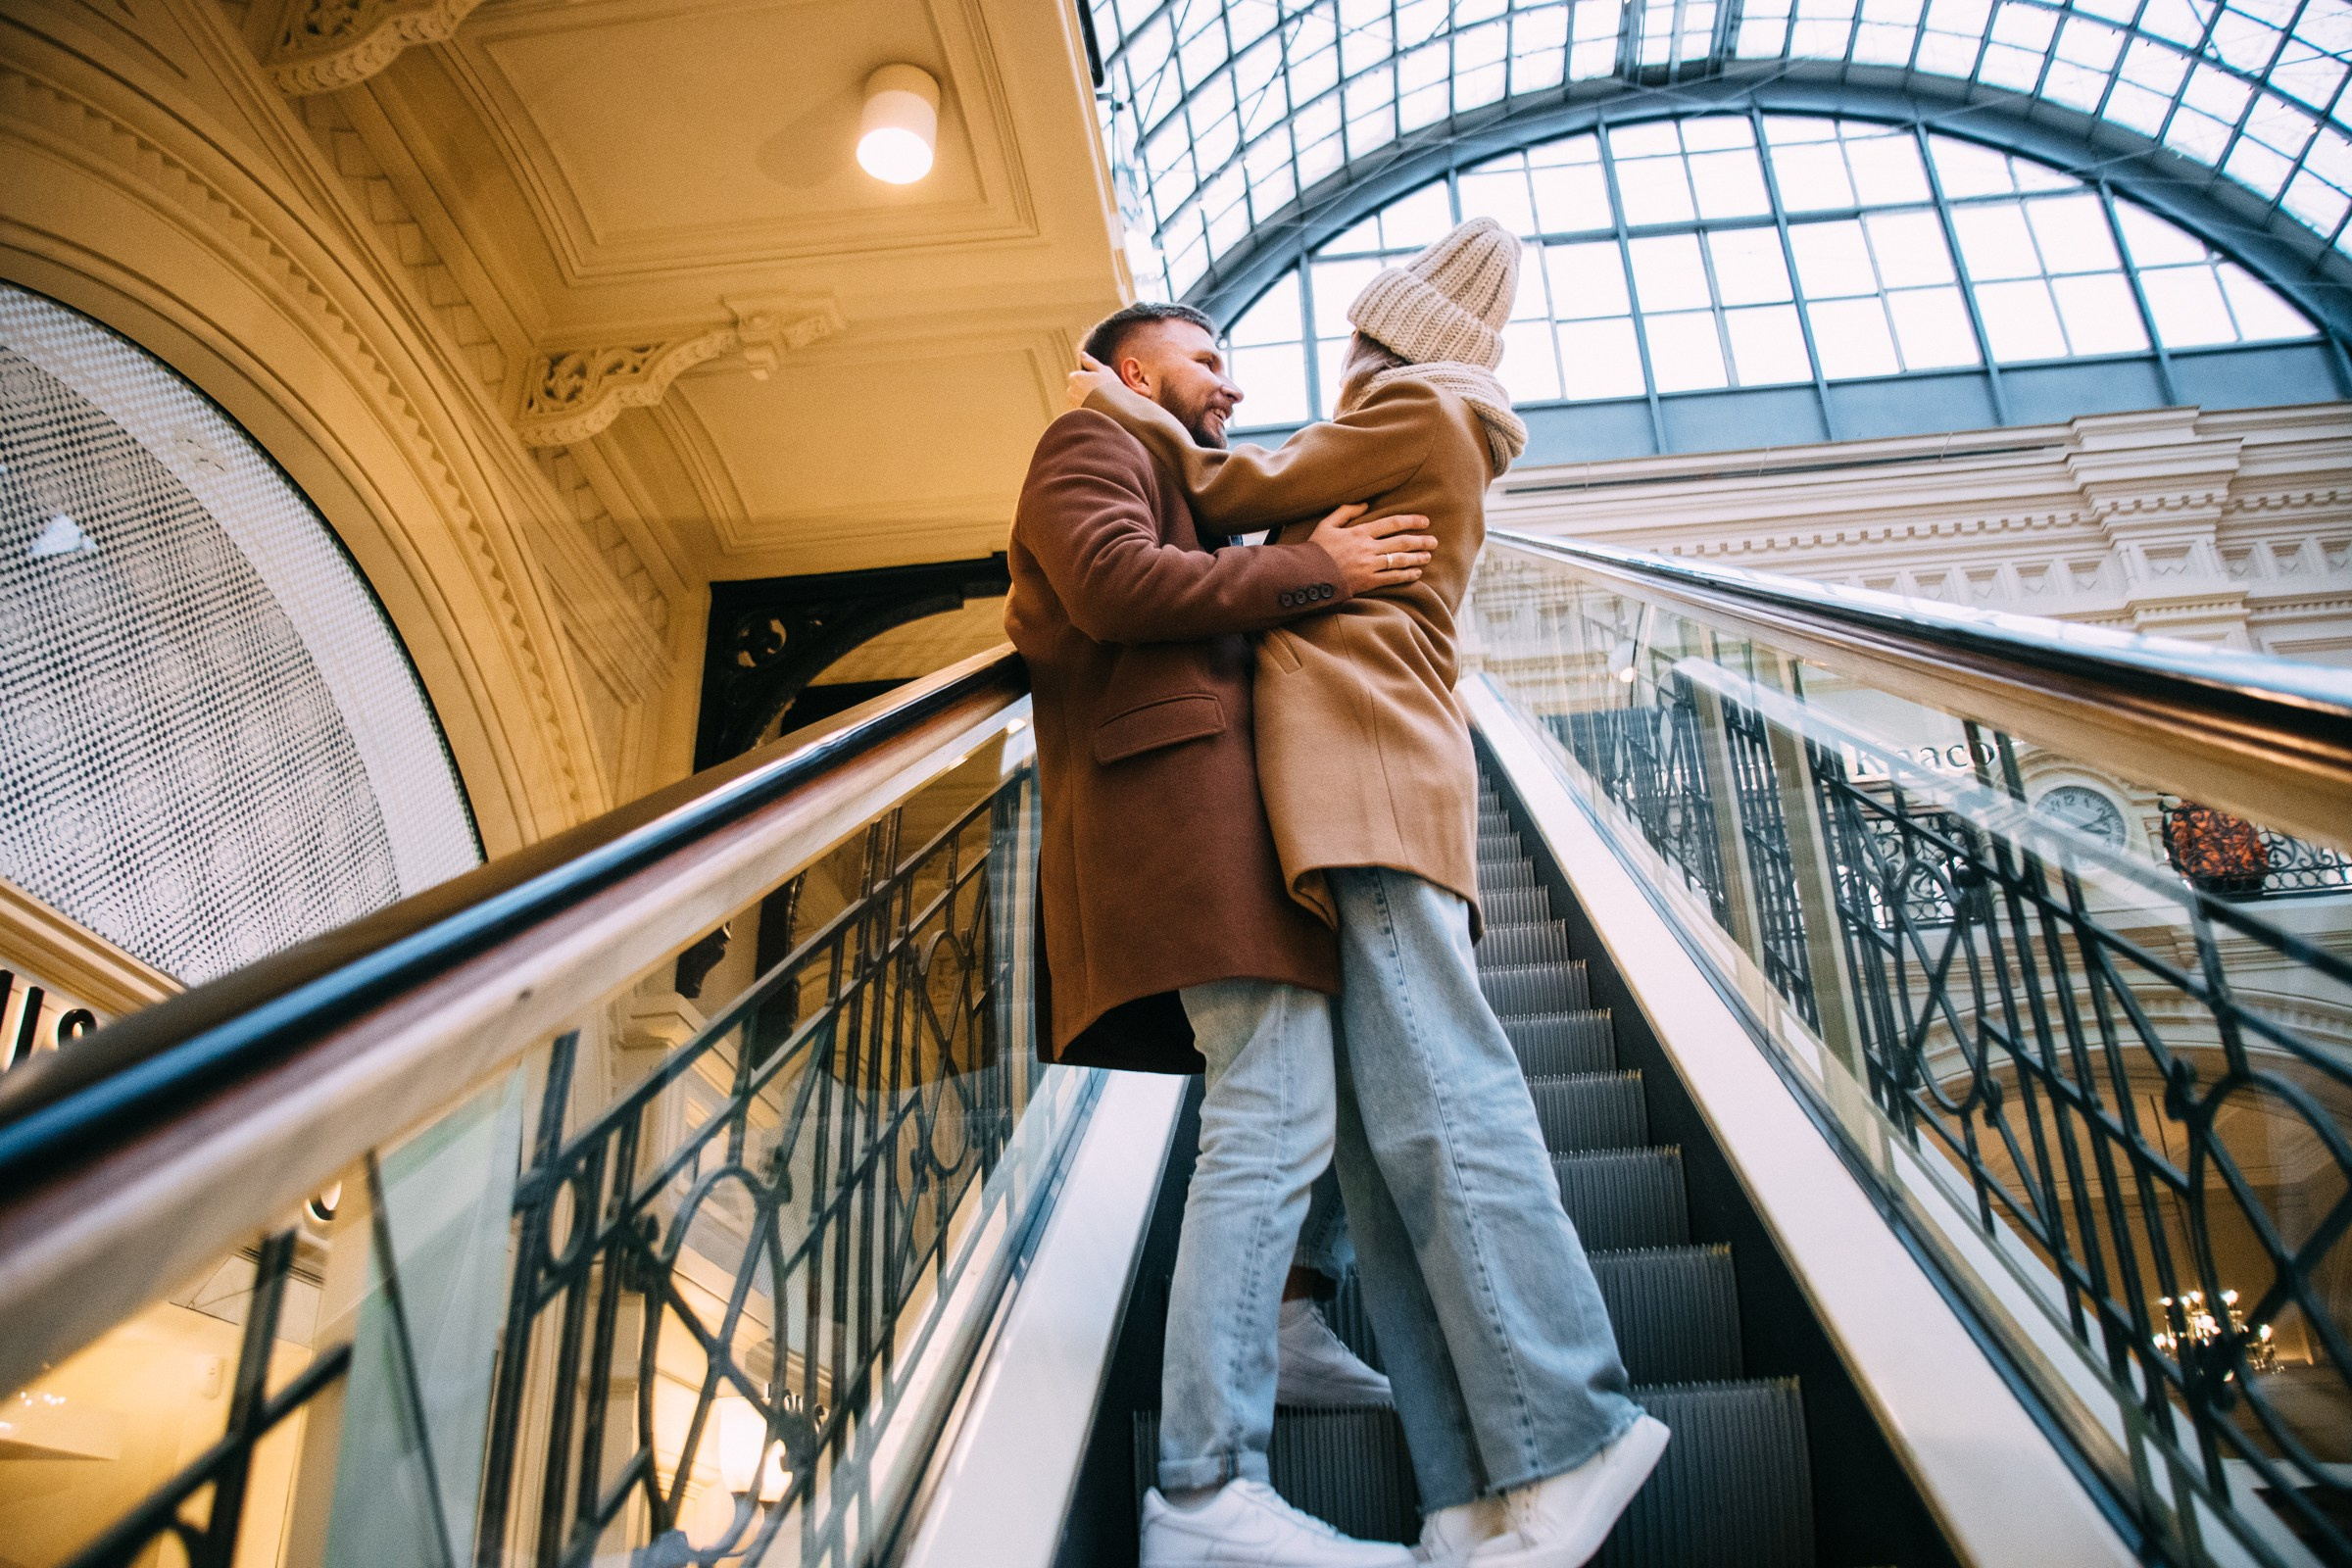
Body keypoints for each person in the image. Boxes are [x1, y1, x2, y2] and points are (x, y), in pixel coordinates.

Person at [1070, 219, 1672, 1568]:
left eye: (1358, 331)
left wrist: (1125, 404)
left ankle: (1575, 1428)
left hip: (1372, 787)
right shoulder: (1432, 419)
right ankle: (1470, 1491)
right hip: (1343, 800)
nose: (1339, 355)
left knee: (1446, 1109)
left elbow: (1229, 496)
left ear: (1393, 335)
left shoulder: (1419, 409)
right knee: (1391, 1144)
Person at [1004, 302, 1430, 1567]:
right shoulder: (1087, 444)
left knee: (1340, 1089)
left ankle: (1290, 1322)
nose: (1230, 388)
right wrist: (1325, 571)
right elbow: (1116, 585)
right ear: (1135, 371)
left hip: (1239, 834)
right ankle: (1203, 1490)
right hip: (1178, 828)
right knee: (1275, 1115)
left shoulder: (1179, 469)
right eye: (1207, 362)